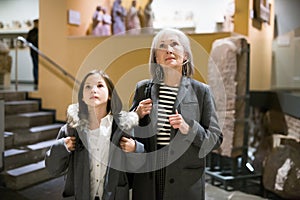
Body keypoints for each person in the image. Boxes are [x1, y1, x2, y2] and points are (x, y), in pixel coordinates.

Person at [130, 28, 223, 200]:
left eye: (174, 45)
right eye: (162, 46)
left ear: (185, 55)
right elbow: (126, 133)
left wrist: (189, 128)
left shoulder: (201, 91)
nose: (169, 50)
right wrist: (136, 115)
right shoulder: (143, 89)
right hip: (148, 178)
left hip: (185, 181)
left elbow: (215, 140)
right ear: (156, 58)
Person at [45, 70, 144, 200]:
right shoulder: (71, 130)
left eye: (99, 85)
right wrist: (62, 146)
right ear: (82, 96)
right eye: (88, 86)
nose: (93, 90)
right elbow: (52, 169)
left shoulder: (123, 128)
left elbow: (139, 167)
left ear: (110, 94)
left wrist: (135, 148)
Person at [26, 19, 39, 86]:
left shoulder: (41, 31)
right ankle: (36, 79)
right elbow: (28, 41)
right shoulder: (31, 32)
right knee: (35, 65)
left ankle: (39, 79)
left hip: (39, 51)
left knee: (38, 66)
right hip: (34, 51)